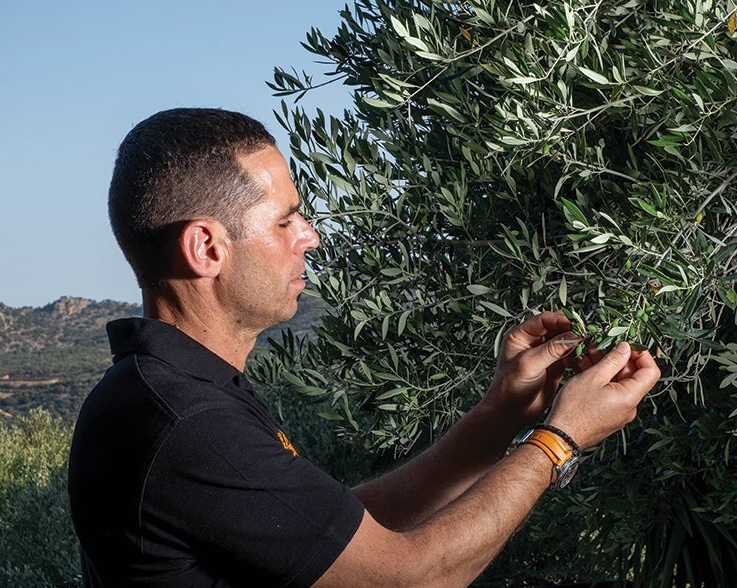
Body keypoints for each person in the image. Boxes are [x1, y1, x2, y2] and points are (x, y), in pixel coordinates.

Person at [67, 107, 661, 587]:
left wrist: (501, 413)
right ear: (207, 249)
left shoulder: (169, 395)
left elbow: (339, 539)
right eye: (284, 222)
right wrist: (559, 440)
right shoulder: (187, 422)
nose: (311, 236)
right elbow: (405, 580)